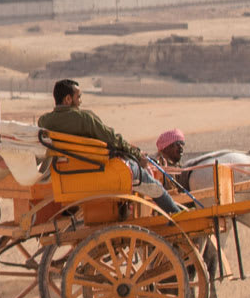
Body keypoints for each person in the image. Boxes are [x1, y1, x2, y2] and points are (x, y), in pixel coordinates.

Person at [38, 79, 181, 213]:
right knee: (152, 184)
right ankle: (175, 213)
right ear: (68, 99)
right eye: (78, 97)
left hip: (67, 173)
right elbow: (112, 139)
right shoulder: (83, 118)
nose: (80, 102)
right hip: (98, 171)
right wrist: (137, 155)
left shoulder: (44, 121)